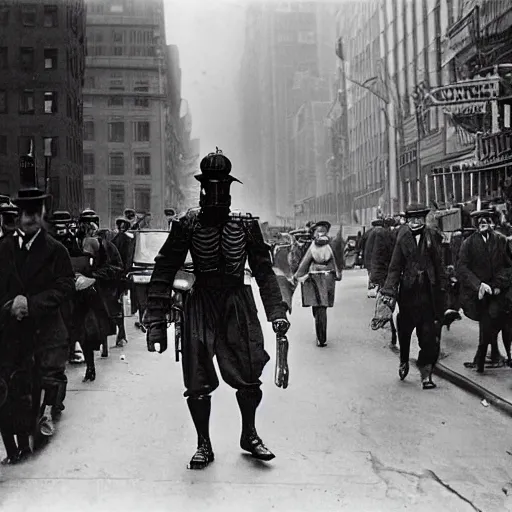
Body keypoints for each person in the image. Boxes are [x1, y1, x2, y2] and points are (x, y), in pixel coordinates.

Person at [143, 148, 289, 470]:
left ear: (229, 188)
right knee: (196, 378)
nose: (217, 193)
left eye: (223, 186)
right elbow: (164, 269)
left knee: (249, 373)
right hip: (200, 303)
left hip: (238, 303)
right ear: (202, 187)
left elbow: (264, 271)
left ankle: (249, 434)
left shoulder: (247, 226)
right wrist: (155, 319)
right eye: (211, 186)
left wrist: (276, 311)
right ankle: (203, 444)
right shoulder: (187, 225)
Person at [0, 181, 75, 444]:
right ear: (16, 215)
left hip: (46, 326)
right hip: (12, 325)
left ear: (42, 213)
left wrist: (32, 304)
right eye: (24, 213)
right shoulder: (4, 248)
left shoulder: (56, 250)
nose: (29, 218)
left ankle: (46, 415)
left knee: (49, 374)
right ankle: (15, 437)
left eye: (34, 212)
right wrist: (10, 305)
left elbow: (65, 286)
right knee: (13, 380)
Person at [379, 204, 446, 389]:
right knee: (405, 331)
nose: (415, 222)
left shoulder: (432, 236)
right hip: (408, 294)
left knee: (428, 336)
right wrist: (389, 290)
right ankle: (404, 359)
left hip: (428, 293)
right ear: (407, 220)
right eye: (412, 219)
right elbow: (394, 267)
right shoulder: (402, 237)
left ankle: (426, 375)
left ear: (424, 220)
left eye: (419, 218)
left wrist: (444, 288)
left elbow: (439, 265)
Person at [458, 208, 512, 372]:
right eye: (479, 221)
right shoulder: (468, 243)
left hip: (498, 293)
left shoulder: (501, 241)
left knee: (498, 323)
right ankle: (482, 359)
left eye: (486, 220)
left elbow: (508, 267)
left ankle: (487, 358)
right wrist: (478, 285)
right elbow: (462, 268)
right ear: (475, 224)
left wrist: (497, 285)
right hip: (478, 295)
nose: (483, 223)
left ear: (492, 223)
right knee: (487, 323)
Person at [76, 210, 123, 359]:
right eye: (84, 224)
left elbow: (116, 267)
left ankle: (104, 343)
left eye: (90, 223)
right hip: (78, 284)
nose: (87, 228)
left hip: (100, 287)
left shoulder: (106, 246)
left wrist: (96, 276)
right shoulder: (74, 244)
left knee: (100, 315)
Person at [292, 221, 343, 347]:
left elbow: (305, 263)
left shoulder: (313, 247)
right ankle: (322, 335)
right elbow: (337, 261)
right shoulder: (331, 245)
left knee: (316, 304)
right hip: (328, 276)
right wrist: (337, 273)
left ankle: (320, 333)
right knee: (323, 304)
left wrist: (297, 276)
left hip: (315, 277)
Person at [49, 211, 84, 364]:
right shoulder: (48, 242)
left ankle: (72, 348)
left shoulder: (71, 240)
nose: (61, 229)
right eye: (59, 226)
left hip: (68, 285)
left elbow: (79, 256)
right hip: (52, 285)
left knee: (70, 318)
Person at [110, 216, 136, 347]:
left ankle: (121, 334)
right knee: (117, 304)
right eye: (119, 225)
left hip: (119, 275)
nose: (121, 227)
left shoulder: (122, 239)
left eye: (122, 225)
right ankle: (120, 334)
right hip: (118, 275)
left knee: (118, 304)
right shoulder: (120, 239)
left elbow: (128, 258)